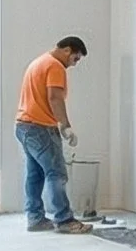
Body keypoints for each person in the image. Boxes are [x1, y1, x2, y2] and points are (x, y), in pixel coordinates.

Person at [16, 36, 92, 235]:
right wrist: (65, 126)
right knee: (57, 173)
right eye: (75, 59)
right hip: (40, 128)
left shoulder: (38, 62)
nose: (73, 64)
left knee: (36, 174)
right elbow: (55, 97)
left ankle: (35, 218)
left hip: (24, 126)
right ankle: (64, 219)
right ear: (67, 50)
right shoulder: (55, 66)